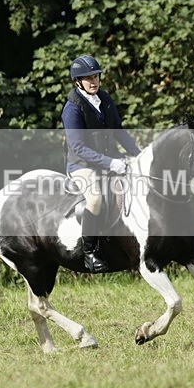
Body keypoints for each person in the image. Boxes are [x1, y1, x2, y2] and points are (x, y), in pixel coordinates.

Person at [61, 55, 141, 273]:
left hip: (110, 161)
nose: (93, 81)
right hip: (82, 166)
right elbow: (78, 148)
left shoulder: (105, 98)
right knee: (95, 199)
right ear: (78, 82)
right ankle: (90, 252)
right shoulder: (72, 109)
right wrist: (110, 163)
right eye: (88, 78)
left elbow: (118, 130)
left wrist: (137, 154)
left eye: (96, 76)